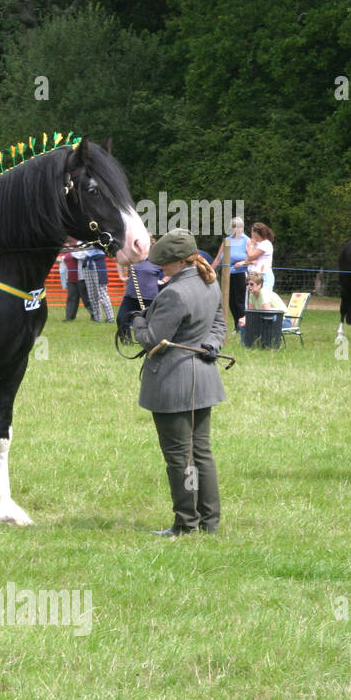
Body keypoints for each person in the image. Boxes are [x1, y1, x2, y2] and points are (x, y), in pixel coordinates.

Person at [129, 229, 226, 537]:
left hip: (174, 384)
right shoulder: (207, 282)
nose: (160, 269)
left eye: (164, 264)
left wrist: (138, 320)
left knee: (180, 459)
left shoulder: (174, 293)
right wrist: (212, 344)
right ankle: (208, 522)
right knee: (200, 454)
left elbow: (150, 341)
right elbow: (219, 325)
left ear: (179, 262)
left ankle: (186, 523)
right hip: (204, 380)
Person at [212, 216, 249, 327]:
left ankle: (243, 325)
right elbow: (218, 258)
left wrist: (242, 262)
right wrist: (209, 270)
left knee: (239, 301)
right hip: (227, 275)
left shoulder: (247, 241)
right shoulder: (227, 241)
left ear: (242, 228)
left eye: (238, 227)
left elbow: (252, 258)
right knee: (230, 301)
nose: (236, 230)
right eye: (234, 227)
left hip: (240, 274)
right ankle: (237, 325)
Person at [116, 258, 163, 343]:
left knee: (150, 322)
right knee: (121, 318)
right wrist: (121, 276)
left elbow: (171, 268)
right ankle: (126, 342)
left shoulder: (157, 257)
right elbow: (119, 261)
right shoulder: (133, 256)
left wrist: (163, 280)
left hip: (150, 297)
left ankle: (149, 342)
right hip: (131, 295)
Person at [237, 271, 291, 339]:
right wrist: (244, 319)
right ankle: (247, 346)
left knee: (258, 323)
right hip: (269, 319)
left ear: (259, 285)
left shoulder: (263, 293)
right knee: (242, 324)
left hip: (283, 321)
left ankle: (265, 345)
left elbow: (266, 314)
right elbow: (251, 314)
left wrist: (248, 320)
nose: (249, 286)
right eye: (247, 284)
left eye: (251, 284)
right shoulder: (251, 294)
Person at [82, 245, 113, 322]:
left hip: (98, 263)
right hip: (87, 263)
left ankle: (110, 318)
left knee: (102, 293)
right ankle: (97, 318)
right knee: (92, 295)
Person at [246, 222, 276, 296]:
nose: (251, 234)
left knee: (264, 298)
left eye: (252, 231)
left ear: (256, 233)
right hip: (254, 277)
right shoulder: (257, 244)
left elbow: (250, 256)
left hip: (264, 276)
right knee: (254, 301)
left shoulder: (265, 244)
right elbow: (247, 260)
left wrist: (251, 245)